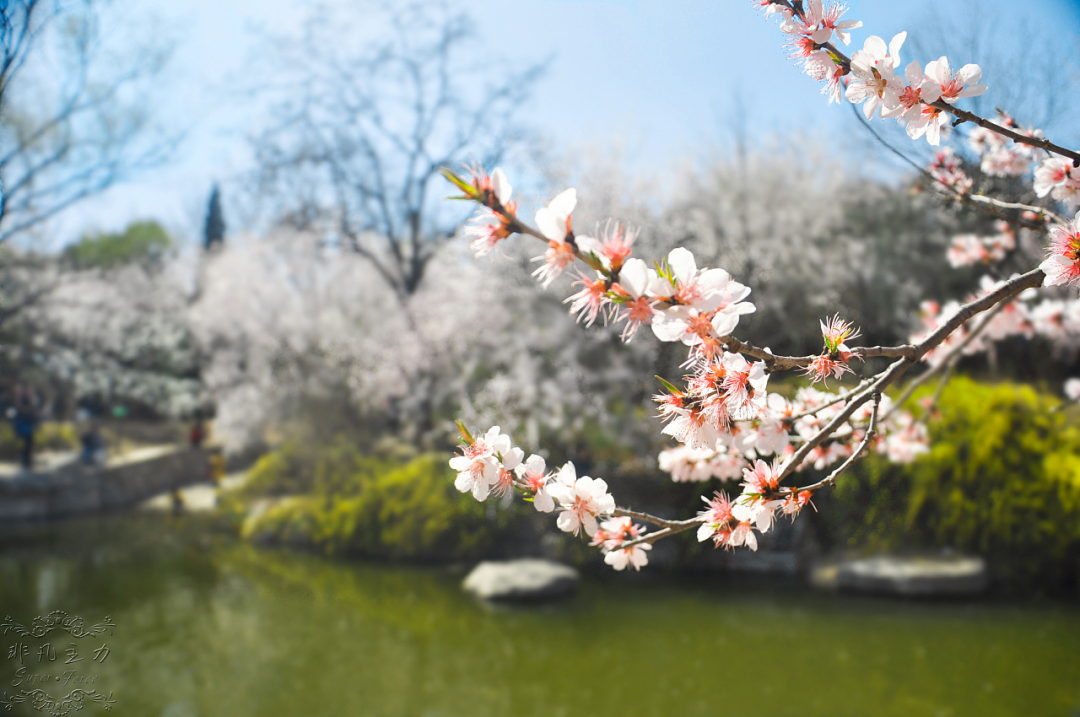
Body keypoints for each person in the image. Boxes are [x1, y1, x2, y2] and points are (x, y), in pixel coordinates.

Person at [12, 384, 38, 471]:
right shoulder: (21, 399)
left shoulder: (29, 399)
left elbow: (33, 410)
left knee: (28, 443)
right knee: (24, 443)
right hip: (22, 424)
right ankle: (24, 461)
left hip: (28, 424)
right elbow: (20, 409)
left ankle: (27, 461)